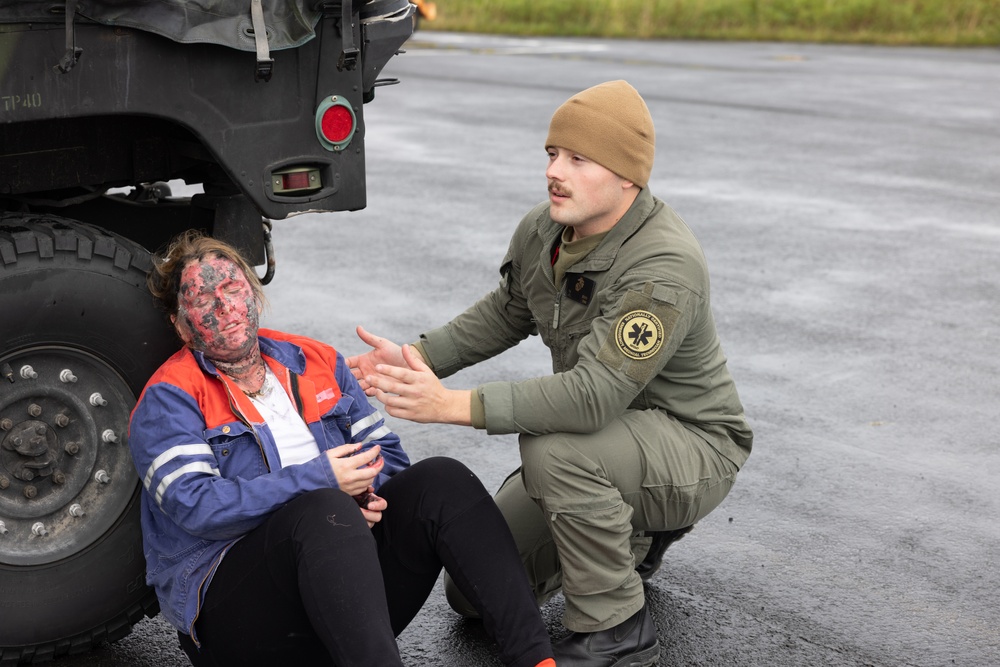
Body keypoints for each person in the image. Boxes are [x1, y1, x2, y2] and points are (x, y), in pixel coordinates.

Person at [347, 80, 753, 667]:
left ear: (626, 177)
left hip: (691, 446)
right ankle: (635, 536)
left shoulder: (664, 266)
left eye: (577, 159)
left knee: (554, 448)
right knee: (475, 594)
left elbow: (591, 399)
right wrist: (417, 357)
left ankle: (615, 626)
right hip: (607, 444)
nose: (554, 171)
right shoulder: (546, 231)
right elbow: (509, 311)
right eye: (551, 154)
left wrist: (451, 405)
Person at [127, 231, 555, 667]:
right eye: (202, 300)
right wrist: (322, 482)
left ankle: (537, 660)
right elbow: (196, 506)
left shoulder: (315, 360)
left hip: (345, 595)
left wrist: (366, 494)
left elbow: (385, 453)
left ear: (253, 296)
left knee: (441, 480)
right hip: (240, 621)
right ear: (180, 324)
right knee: (323, 510)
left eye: (232, 289)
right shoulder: (169, 397)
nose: (224, 307)